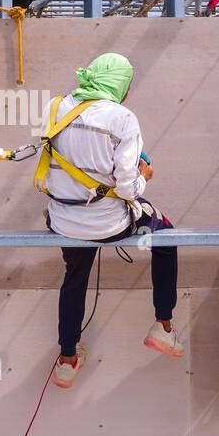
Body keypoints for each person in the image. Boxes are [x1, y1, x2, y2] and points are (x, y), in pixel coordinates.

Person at [40, 53, 183, 390]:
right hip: (108, 225)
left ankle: (67, 360)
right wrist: (144, 177)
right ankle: (163, 325)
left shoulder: (56, 107)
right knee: (167, 236)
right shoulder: (123, 118)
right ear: (120, 85)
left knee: (75, 276)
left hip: (64, 221)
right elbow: (126, 186)